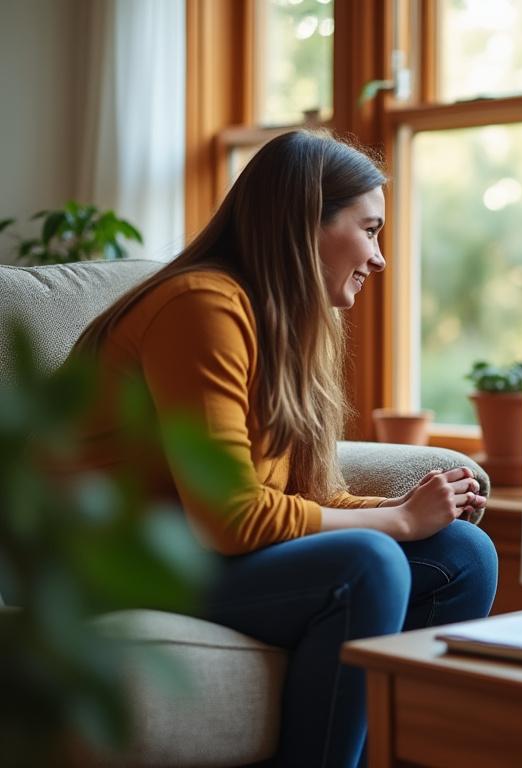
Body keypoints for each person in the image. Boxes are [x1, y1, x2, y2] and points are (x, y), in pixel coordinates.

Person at [73, 130, 497, 767]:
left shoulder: (294, 325)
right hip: (122, 565)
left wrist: (418, 508)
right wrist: (397, 520)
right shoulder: (202, 307)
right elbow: (233, 516)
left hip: (203, 554)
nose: (380, 258)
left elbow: (307, 498)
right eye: (370, 228)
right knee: (370, 562)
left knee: (463, 553)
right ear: (306, 224)